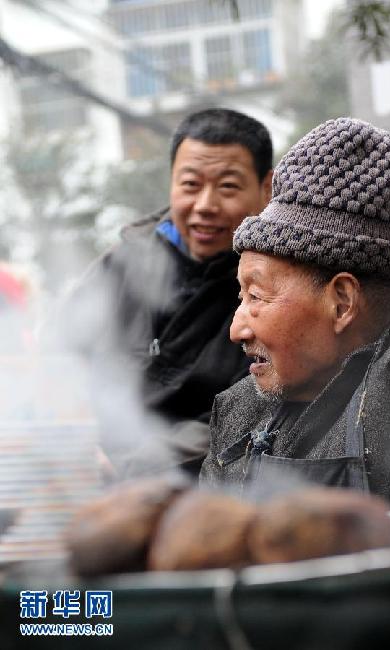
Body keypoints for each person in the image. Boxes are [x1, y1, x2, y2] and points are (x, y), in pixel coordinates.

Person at [200, 116, 390, 504]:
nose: (237, 330)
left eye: (257, 297)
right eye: (241, 298)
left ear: (342, 302)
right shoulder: (238, 411)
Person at [65, 108, 273, 475]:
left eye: (227, 186)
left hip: (210, 487)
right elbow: (61, 354)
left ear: (266, 188)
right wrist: (79, 435)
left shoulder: (275, 286)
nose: (205, 205)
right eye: (190, 185)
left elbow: (261, 409)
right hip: (104, 474)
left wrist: (137, 463)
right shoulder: (122, 263)